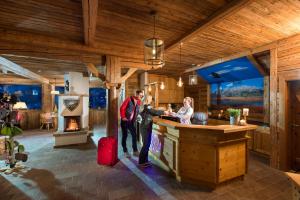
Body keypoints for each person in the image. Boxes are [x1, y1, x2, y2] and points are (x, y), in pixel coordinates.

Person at [139, 95, 169, 167]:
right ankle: (141, 162)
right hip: (145, 127)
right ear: (146, 99)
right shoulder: (146, 106)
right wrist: (164, 112)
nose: (151, 100)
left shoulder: (145, 106)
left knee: (147, 144)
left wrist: (161, 110)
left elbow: (153, 111)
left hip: (145, 127)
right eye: (150, 99)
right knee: (146, 145)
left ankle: (144, 160)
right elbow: (154, 111)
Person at [120, 90, 144, 158]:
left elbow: (137, 111)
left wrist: (138, 116)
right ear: (136, 94)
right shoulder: (129, 99)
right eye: (140, 95)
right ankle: (125, 151)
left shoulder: (139, 101)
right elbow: (122, 108)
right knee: (125, 136)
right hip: (125, 120)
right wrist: (123, 117)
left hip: (131, 121)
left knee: (134, 135)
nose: (141, 96)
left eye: (142, 95)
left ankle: (135, 151)